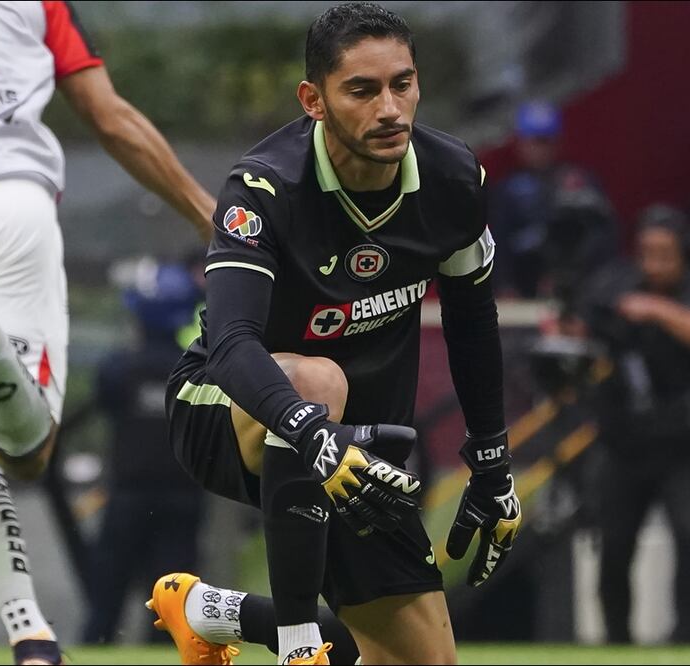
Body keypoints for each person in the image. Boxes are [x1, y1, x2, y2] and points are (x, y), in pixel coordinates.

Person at [144, 4, 521, 665]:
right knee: (318, 382)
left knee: (420, 661)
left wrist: (492, 466)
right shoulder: (264, 187)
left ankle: (211, 611)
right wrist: (311, 432)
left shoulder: (454, 179)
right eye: (362, 90)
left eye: (402, 84)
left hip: (353, 447)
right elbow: (231, 344)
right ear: (313, 101)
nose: (389, 109)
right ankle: (296, 648)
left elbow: (472, 319)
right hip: (226, 411)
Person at [0, 3, 214, 663]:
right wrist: (208, 215)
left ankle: (31, 631)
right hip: (10, 205)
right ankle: (32, 639)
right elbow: (110, 117)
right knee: (22, 451)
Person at [577, 205, 690, 643]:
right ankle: (616, 640)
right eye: (647, 253)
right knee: (614, 543)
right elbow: (582, 331)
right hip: (625, 440)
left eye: (665, 254)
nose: (655, 264)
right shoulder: (614, 287)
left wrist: (657, 311)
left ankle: (686, 638)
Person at [81, 260, 207, 645]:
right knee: (174, 600)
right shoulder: (196, 371)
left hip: (127, 496)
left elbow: (106, 400)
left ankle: (99, 645)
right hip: (183, 496)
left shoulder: (118, 369)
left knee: (107, 594)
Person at [488, 99, 619, 302]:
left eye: (545, 141)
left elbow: (604, 236)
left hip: (579, 284)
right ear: (521, 143)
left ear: (558, 142)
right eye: (533, 141)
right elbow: (498, 241)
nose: (539, 149)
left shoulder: (581, 181)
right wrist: (505, 285)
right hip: (526, 286)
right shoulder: (508, 189)